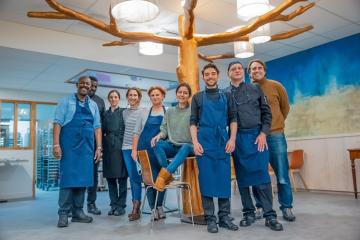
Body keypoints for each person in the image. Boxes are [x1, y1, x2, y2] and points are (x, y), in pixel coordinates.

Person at [225, 61, 283, 231]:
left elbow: (267, 113)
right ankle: (248, 213)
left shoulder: (256, 89)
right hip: (237, 139)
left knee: (262, 177)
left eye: (239, 68)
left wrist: (264, 133)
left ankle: (270, 215)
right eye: (232, 69)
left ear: (243, 72)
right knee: (242, 179)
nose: (236, 70)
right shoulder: (225, 93)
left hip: (257, 138)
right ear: (228, 73)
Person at [190, 63, 238, 233]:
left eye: (213, 74)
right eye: (207, 74)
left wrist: (232, 139)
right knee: (207, 180)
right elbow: (193, 122)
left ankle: (224, 217)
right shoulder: (197, 97)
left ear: (218, 75)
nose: (210, 77)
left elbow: (233, 119)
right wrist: (195, 143)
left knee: (224, 180)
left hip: (223, 142)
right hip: (204, 142)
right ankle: (210, 219)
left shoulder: (227, 96)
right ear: (203, 77)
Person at [248, 59, 296, 222]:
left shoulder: (276, 86)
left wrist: (277, 124)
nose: (256, 70)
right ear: (249, 73)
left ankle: (287, 207)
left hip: (275, 135)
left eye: (259, 68)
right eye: (253, 68)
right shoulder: (248, 89)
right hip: (256, 137)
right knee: (258, 174)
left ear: (264, 70)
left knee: (282, 174)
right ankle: (260, 206)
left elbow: (285, 108)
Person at [53, 76, 102, 228]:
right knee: (67, 180)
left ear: (90, 86)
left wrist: (99, 147)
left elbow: (97, 127)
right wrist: (56, 145)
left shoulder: (93, 105)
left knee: (83, 181)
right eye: (82, 83)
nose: (85, 86)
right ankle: (63, 213)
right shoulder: (66, 101)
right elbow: (57, 123)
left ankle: (78, 213)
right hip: (69, 147)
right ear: (77, 85)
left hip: (87, 148)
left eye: (88, 84)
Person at [151, 83, 194, 191]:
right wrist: (158, 136)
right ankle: (168, 175)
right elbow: (164, 129)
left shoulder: (193, 111)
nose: (182, 95)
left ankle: (163, 177)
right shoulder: (170, 111)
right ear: (176, 94)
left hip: (188, 147)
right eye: (180, 92)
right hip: (172, 145)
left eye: (185, 93)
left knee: (186, 147)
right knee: (156, 143)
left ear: (189, 95)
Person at [132, 86, 167, 220]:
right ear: (150, 97)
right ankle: (153, 209)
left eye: (158, 95)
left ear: (163, 96)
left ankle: (160, 206)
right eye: (152, 95)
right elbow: (136, 132)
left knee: (162, 177)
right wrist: (134, 150)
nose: (155, 97)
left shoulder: (167, 112)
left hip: (160, 150)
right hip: (144, 149)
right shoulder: (144, 112)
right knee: (148, 180)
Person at [102, 90, 127, 216]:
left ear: (119, 99)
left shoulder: (124, 112)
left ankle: (121, 206)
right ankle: (113, 205)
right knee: (110, 179)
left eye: (115, 97)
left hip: (120, 146)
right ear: (108, 99)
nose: (113, 99)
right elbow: (101, 131)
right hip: (108, 148)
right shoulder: (105, 114)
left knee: (122, 178)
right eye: (111, 97)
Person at [122, 87, 144, 221]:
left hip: (140, 148)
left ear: (139, 98)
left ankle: (154, 206)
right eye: (130, 95)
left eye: (135, 95)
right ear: (127, 97)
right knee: (133, 177)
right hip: (126, 147)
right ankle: (136, 207)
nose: (133, 97)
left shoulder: (144, 112)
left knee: (142, 176)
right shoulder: (124, 113)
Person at [86, 76, 106, 215]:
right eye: (91, 85)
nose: (93, 88)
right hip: (79, 144)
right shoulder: (75, 100)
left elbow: (102, 126)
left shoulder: (99, 102)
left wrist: (100, 146)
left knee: (93, 175)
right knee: (78, 174)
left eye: (95, 86)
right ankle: (73, 206)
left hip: (94, 144)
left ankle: (91, 204)